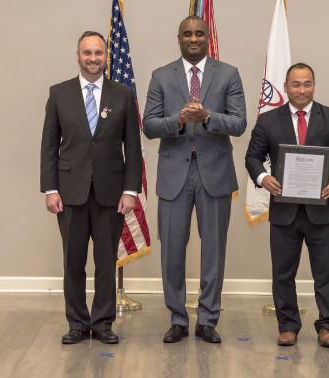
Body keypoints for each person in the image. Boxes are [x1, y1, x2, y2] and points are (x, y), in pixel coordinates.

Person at [143, 16, 246, 344]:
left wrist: (208, 118)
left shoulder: (228, 74)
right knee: (171, 249)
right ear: (178, 38)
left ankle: (207, 319)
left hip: (215, 174)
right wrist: (178, 120)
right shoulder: (161, 76)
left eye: (199, 33)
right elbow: (148, 126)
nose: (193, 39)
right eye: (187, 34)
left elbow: (240, 123)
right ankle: (177, 318)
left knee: (214, 250)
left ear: (207, 38)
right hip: (174, 174)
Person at [40, 31, 142, 345]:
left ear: (106, 56)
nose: (93, 58)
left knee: (105, 261)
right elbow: (48, 146)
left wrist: (130, 191)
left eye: (99, 53)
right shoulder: (59, 93)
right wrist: (50, 189)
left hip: (111, 194)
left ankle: (102, 324)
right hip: (69, 193)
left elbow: (133, 149)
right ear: (78, 55)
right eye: (88, 53)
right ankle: (76, 323)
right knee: (72, 261)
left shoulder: (123, 94)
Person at [245, 62, 329, 348]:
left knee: (326, 273)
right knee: (283, 273)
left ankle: (328, 327)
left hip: (322, 211)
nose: (302, 90)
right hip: (284, 212)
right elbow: (252, 158)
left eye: (307, 84)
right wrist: (263, 177)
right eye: (296, 84)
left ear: (314, 85)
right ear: (285, 87)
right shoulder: (268, 121)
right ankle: (288, 326)